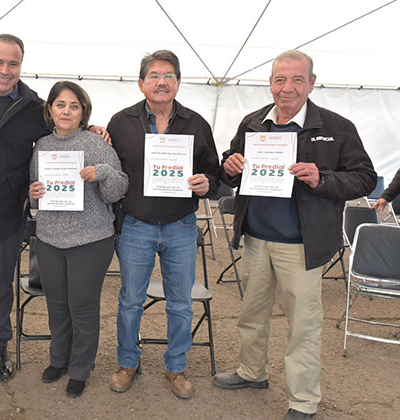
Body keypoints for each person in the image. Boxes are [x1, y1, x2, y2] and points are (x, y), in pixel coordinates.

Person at [214, 50, 376, 420]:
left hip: (301, 245)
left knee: (303, 325)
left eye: (297, 80)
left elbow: (364, 177)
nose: (287, 88)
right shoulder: (254, 122)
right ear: (270, 83)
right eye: (280, 80)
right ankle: (251, 373)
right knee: (252, 314)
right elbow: (230, 168)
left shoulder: (337, 127)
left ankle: (303, 400)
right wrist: (231, 165)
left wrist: (324, 178)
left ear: (312, 83)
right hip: (256, 238)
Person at [0, 34, 109, 381]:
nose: (5, 70)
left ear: (21, 66)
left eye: (13, 63)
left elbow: (65, 129)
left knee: (3, 283)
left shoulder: (35, 106)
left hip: (8, 209)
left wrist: (93, 128)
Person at [106, 50, 220, 399]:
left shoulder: (197, 123)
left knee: (180, 303)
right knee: (130, 300)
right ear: (141, 83)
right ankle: (128, 363)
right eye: (154, 75)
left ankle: (176, 367)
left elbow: (214, 175)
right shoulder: (120, 122)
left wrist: (207, 184)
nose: (161, 81)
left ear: (178, 82)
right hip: (136, 226)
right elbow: (109, 169)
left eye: (169, 75)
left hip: (181, 225)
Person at [28, 81, 128, 398]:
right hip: (49, 238)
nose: (67, 111)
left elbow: (119, 189)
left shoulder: (96, 143)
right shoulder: (41, 146)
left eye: (74, 105)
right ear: (50, 109)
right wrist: (34, 193)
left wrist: (104, 174)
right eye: (60, 104)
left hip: (91, 239)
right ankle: (59, 359)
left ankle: (81, 368)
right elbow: (36, 191)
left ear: (83, 111)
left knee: (82, 307)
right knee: (57, 306)